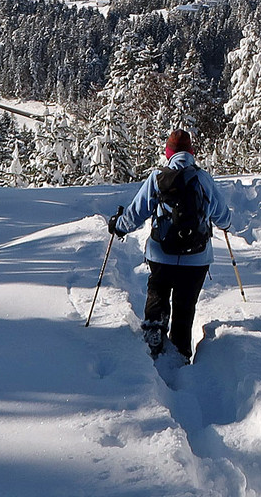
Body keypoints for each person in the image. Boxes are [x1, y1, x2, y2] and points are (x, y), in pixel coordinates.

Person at [107, 128, 232, 361]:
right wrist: (226, 222)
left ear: (169, 153)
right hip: (197, 258)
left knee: (158, 291)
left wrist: (118, 226)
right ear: (191, 152)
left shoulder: (157, 178)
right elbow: (223, 217)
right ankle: (182, 352)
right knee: (185, 306)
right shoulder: (203, 179)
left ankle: (154, 329)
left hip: (160, 253)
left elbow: (136, 212)